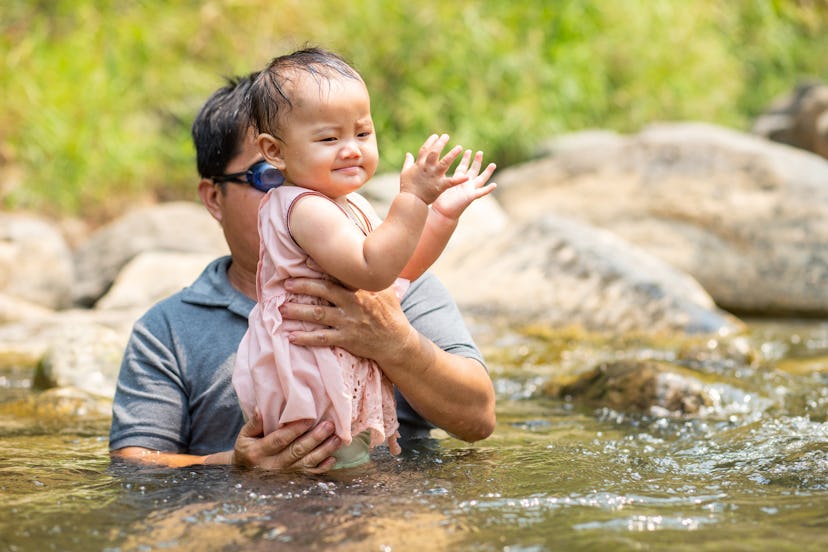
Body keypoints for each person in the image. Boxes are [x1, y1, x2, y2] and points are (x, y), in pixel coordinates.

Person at [108, 70, 496, 474]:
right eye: (270, 177)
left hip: (385, 513)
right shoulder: (169, 329)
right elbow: (133, 468)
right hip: (252, 521)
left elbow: (479, 420)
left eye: (360, 135)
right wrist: (230, 463)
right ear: (214, 198)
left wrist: (394, 343)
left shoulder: (398, 291)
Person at [234, 48, 497, 469]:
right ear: (274, 151)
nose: (351, 149)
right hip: (307, 370)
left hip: (328, 362)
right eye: (328, 138)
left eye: (362, 133)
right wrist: (411, 199)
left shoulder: (344, 204)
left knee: (346, 473)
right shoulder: (303, 207)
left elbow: (398, 269)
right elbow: (371, 272)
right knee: (340, 474)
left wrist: (442, 214)